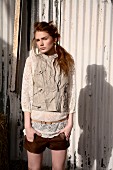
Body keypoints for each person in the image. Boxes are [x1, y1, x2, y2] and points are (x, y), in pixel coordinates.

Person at [21, 21, 75, 170]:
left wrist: (69, 124)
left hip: (60, 128)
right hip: (36, 127)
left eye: (44, 38)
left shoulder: (67, 62)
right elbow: (25, 93)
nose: (41, 43)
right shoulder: (32, 61)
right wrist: (28, 126)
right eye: (38, 40)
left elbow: (71, 93)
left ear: (55, 38)